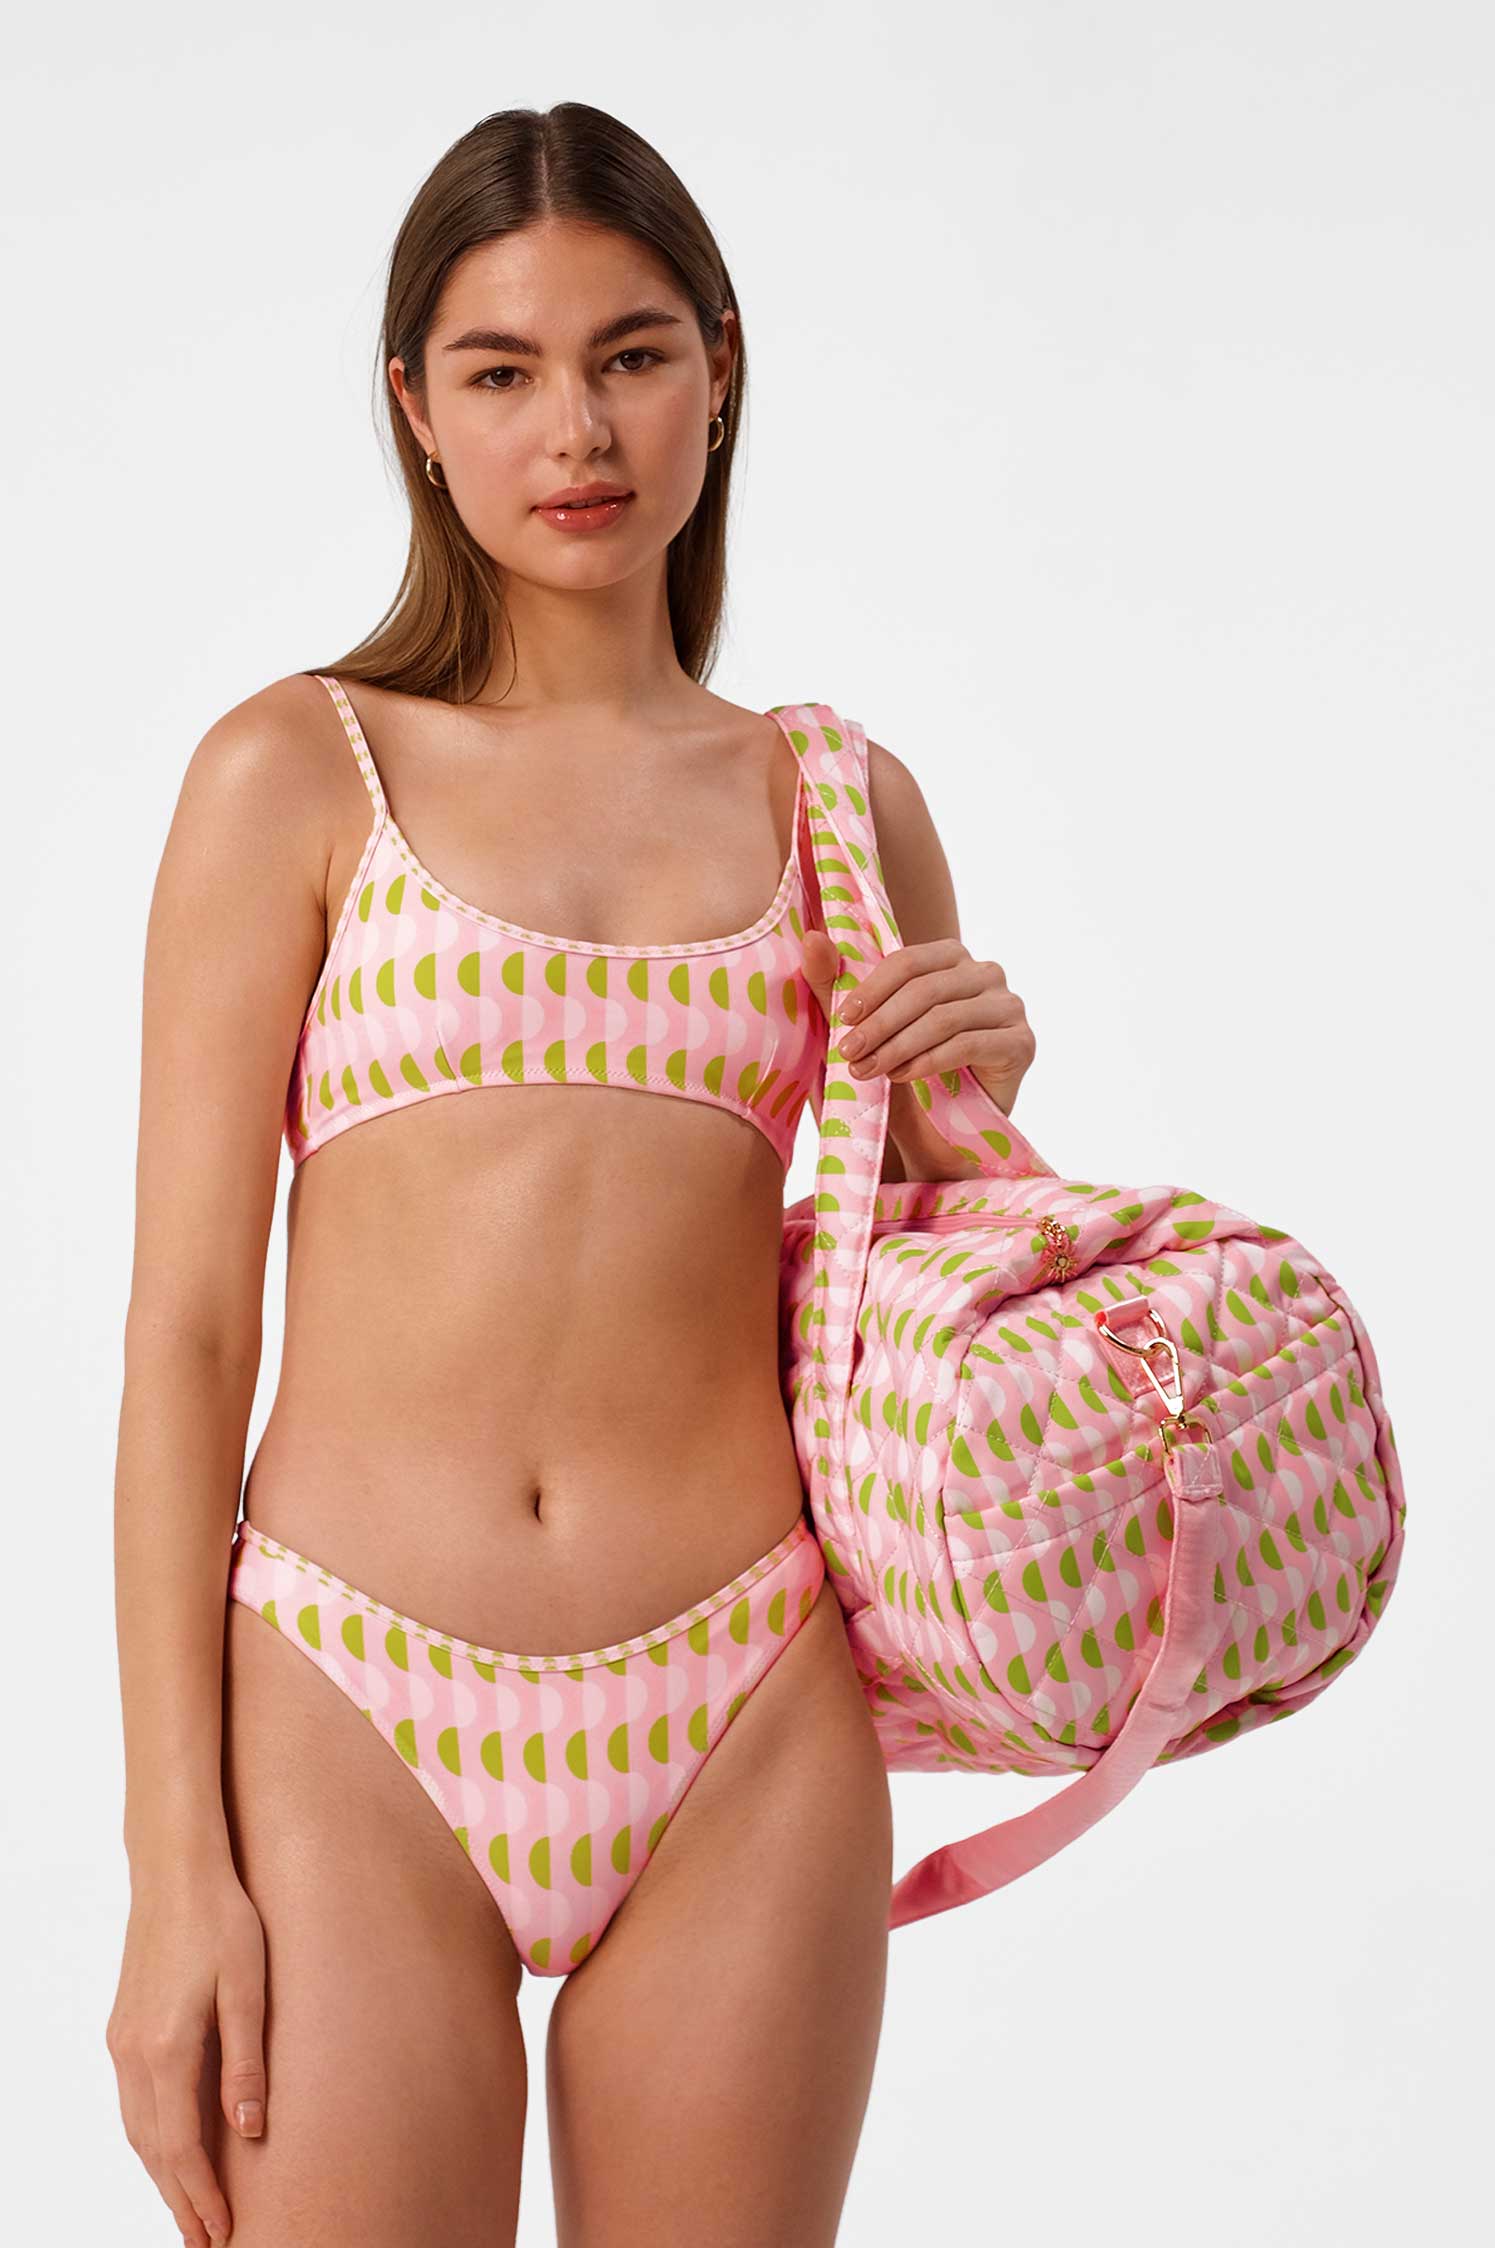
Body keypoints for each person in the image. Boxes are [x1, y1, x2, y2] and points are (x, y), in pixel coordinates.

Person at [105, 100, 1037, 2248]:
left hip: (746, 1706)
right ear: (415, 411)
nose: (577, 429)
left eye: (630, 354)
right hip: (348, 1700)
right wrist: (171, 1867)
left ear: (720, 365)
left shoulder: (839, 801)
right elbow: (186, 1336)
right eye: (502, 369)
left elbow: (927, 1307)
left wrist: (986, 1102)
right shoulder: (298, 770)